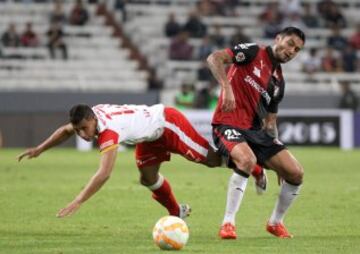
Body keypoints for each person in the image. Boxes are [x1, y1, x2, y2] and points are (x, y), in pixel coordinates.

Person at [17, 103, 223, 218]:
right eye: (78, 129)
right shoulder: (91, 116)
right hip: (149, 136)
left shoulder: (109, 131)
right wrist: (40, 149)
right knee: (148, 178)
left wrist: (78, 200)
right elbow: (65, 131)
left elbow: (104, 173)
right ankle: (176, 212)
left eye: (83, 129)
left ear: (92, 120)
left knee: (212, 160)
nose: (81, 134)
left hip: (166, 123)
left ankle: (254, 167)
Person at [207, 27, 305, 239]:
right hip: (228, 124)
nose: (291, 51)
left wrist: (277, 155)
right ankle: (228, 223)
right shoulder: (253, 52)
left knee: (295, 172)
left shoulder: (279, 82)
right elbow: (214, 58)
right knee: (247, 160)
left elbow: (270, 124)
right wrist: (227, 87)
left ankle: (275, 223)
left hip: (256, 133)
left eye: (296, 50)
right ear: (278, 38)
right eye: (290, 43)